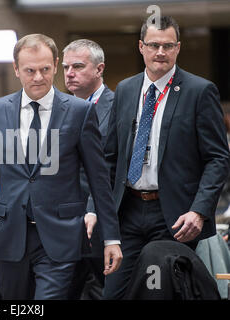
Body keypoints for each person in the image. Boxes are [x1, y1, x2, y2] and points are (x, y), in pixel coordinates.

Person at [0, 33, 122, 299]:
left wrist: (111, 239)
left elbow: (99, 180)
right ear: (16, 69)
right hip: (10, 235)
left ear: (55, 64)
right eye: (30, 70)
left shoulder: (78, 112)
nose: (38, 77)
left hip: (60, 237)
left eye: (45, 69)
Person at [103, 16, 230, 299]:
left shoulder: (199, 91)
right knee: (114, 292)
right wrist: (98, 209)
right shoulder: (124, 90)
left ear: (178, 48)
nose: (160, 52)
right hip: (128, 212)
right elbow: (110, 158)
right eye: (154, 45)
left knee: (157, 291)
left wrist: (199, 210)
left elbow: (218, 158)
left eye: (168, 45)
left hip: (174, 217)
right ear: (141, 47)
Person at [62, 39, 114, 299]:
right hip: (61, 225)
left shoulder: (118, 108)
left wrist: (93, 209)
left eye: (78, 66)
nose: (70, 73)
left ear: (99, 69)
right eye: (66, 67)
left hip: (103, 224)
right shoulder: (57, 109)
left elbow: (110, 168)